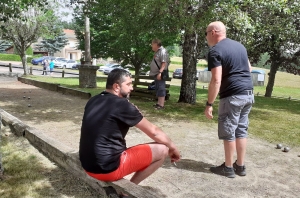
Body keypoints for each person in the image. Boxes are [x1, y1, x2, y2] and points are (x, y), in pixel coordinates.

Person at [79, 68, 180, 185]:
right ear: (116, 87)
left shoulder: (93, 100)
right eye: (128, 84)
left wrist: (133, 112)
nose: (131, 88)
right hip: (107, 169)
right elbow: (154, 132)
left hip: (88, 165)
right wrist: (173, 148)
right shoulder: (122, 104)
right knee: (163, 149)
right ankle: (128, 192)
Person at [204, 21, 254, 178]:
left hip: (232, 96)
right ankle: (240, 166)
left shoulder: (215, 51)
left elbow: (216, 80)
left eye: (206, 34)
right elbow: (249, 68)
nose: (206, 38)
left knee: (228, 131)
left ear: (213, 32)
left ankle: (228, 167)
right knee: (241, 130)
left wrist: (209, 104)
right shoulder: (240, 46)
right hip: (248, 94)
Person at [149, 39, 170, 110]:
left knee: (161, 88)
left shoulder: (162, 51)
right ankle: (158, 103)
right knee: (158, 87)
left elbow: (164, 63)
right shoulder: (157, 52)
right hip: (156, 73)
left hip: (160, 73)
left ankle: (161, 105)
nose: (151, 45)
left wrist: (160, 73)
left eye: (152, 44)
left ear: (156, 44)